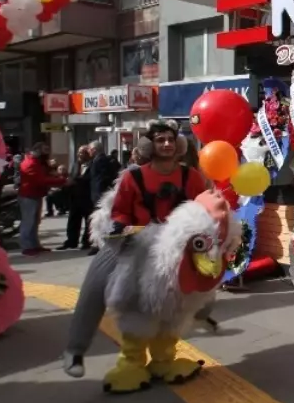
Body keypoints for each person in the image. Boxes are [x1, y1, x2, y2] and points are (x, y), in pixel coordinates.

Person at [62, 122, 209, 377]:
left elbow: (203, 207)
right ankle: (75, 351)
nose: (166, 144)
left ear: (179, 145)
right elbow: (119, 211)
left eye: (171, 140)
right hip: (136, 243)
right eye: (160, 139)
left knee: (199, 290)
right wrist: (119, 226)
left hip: (177, 249)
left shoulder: (192, 177)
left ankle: (170, 354)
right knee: (96, 284)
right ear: (150, 145)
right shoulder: (132, 177)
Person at [18, 143, 66, 256]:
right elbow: (41, 180)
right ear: (37, 150)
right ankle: (27, 246)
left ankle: (34, 245)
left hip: (34, 195)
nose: (47, 152)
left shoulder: (36, 162)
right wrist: (61, 181)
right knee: (28, 222)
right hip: (29, 196)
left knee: (34, 222)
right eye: (45, 150)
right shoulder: (31, 163)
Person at [62, 145, 93, 251]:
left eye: (83, 152)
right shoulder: (75, 164)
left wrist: (76, 180)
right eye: (79, 152)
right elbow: (72, 176)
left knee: (88, 221)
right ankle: (71, 241)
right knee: (73, 220)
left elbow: (90, 179)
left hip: (87, 197)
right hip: (74, 197)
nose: (80, 154)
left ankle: (86, 242)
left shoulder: (92, 165)